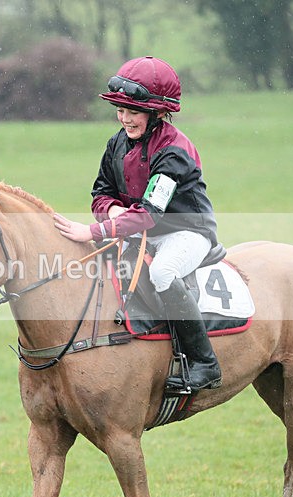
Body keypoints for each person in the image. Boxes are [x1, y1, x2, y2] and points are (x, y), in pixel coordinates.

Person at [53, 56, 222, 391]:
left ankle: (205, 363)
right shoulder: (116, 142)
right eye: (120, 110)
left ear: (158, 112)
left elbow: (149, 213)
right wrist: (111, 211)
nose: (125, 118)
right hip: (141, 230)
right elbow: (100, 192)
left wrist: (94, 229)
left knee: (161, 273)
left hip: (187, 232)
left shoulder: (174, 150)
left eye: (133, 111)